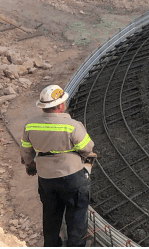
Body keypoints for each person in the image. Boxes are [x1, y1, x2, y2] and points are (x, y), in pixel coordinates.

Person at [20, 85, 96, 247]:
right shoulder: (72, 126)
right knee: (76, 215)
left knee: (51, 214)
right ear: (61, 105)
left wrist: (31, 165)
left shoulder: (31, 125)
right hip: (72, 176)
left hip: (46, 178)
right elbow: (87, 148)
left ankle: (51, 244)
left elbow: (26, 151)